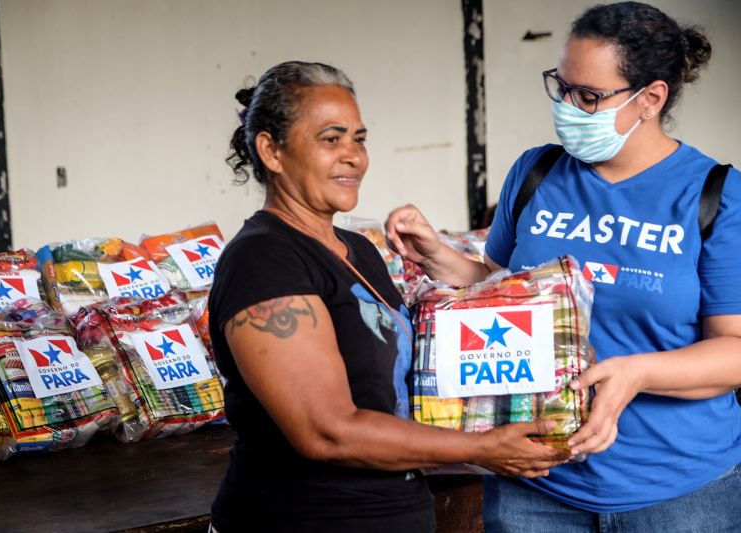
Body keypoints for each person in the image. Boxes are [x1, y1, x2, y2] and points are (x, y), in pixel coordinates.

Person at [386, 2, 741, 531]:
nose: (568, 106)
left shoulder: (715, 196)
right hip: (535, 482)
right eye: (563, 86)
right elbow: (504, 292)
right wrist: (436, 253)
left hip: (679, 491)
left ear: (651, 98)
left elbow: (733, 351)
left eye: (590, 96)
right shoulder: (537, 172)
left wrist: (638, 373)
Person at [207, 60, 569, 533]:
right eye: (331, 139)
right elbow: (326, 431)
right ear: (271, 151)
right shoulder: (263, 260)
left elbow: (399, 390)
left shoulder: (357, 249)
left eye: (359, 138)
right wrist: (484, 447)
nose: (354, 156)